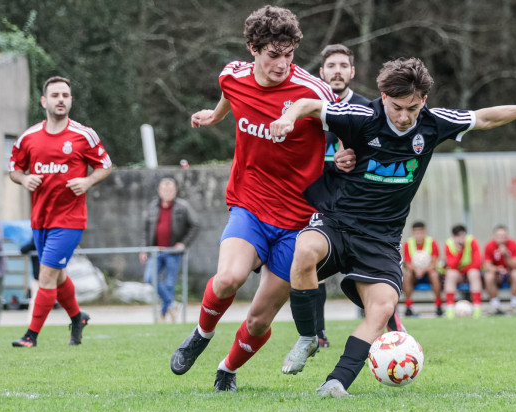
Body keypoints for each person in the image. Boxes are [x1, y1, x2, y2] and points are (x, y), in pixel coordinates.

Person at [270, 57, 516, 396]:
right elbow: (307, 105)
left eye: (412, 107)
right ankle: (308, 336)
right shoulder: (361, 116)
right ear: (382, 96)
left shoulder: (434, 123)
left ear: (423, 100)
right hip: (338, 222)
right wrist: (287, 118)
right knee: (303, 251)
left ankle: (336, 382)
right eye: (396, 107)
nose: (404, 117)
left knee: (382, 308)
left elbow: (484, 118)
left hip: (382, 238)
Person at [169, 6, 355, 392]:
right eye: (274, 55)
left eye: (289, 54)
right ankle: (201, 336)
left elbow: (349, 126)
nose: (282, 64)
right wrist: (216, 116)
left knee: (258, 320)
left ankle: (227, 370)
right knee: (228, 279)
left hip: (299, 220)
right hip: (250, 204)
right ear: (253, 48)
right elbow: (228, 93)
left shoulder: (312, 90)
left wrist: (345, 154)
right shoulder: (232, 75)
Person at [8, 75, 112, 346]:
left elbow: (106, 165)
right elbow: (14, 169)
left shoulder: (83, 135)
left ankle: (31, 336)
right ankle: (78, 318)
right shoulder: (29, 137)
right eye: (55, 95)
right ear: (44, 101)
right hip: (40, 219)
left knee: (46, 275)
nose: (61, 100)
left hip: (69, 220)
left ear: (71, 101)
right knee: (59, 275)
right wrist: (24, 179)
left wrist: (88, 180)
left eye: (65, 95)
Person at [315, 44, 373, 347]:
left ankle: (384, 331)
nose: (337, 71)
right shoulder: (310, 108)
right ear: (321, 72)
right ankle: (316, 333)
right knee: (312, 266)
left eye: (343, 65)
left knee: (365, 271)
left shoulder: (366, 109)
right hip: (317, 204)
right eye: (331, 65)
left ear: (352, 71)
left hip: (356, 206)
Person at [139, 177, 199, 323]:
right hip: (156, 251)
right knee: (150, 277)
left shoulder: (182, 206)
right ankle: (172, 305)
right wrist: (144, 249)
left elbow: (195, 225)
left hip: (173, 252)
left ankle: (164, 315)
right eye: (164, 189)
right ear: (159, 191)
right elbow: (146, 230)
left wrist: (183, 244)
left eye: (170, 189)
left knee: (170, 284)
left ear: (175, 191)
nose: (167, 192)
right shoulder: (153, 206)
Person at [402, 221, 442, 317]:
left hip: (428, 272)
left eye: (420, 232)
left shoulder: (432, 243)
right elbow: (407, 263)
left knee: (434, 274)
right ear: (412, 233)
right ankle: (408, 307)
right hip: (414, 273)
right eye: (416, 233)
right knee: (407, 275)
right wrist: (416, 270)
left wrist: (423, 270)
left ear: (424, 232)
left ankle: (438, 306)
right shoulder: (408, 244)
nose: (418, 235)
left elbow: (434, 262)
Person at [444, 224, 483, 319]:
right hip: (457, 273)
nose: (462, 239)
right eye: (458, 236)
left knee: (474, 273)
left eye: (463, 235)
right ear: (453, 237)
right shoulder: (449, 244)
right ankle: (450, 309)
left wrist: (466, 269)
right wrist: (459, 251)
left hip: (469, 271)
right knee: (450, 274)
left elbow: (477, 262)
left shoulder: (472, 241)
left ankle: (477, 308)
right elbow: (451, 265)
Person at [483, 224, 516, 315]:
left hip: (510, 273)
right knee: (488, 276)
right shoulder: (489, 246)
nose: (501, 238)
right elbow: (487, 265)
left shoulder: (514, 245)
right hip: (497, 274)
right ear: (494, 236)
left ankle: (514, 305)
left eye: (503, 236)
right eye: (499, 236)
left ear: (507, 236)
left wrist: (506, 256)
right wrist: (497, 269)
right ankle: (495, 306)